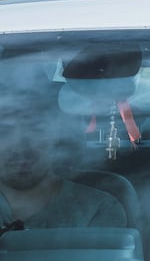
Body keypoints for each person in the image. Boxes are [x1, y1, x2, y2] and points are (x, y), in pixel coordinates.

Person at [0, 80, 127, 231]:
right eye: (4, 131)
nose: (20, 146)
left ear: (57, 132)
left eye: (36, 128)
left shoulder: (97, 209)